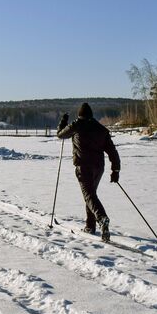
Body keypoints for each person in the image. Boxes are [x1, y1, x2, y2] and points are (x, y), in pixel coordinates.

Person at [56, 103, 120, 242]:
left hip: (83, 167)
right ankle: (90, 226)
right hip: (98, 167)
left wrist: (63, 121)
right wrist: (115, 170)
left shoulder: (77, 124)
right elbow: (112, 152)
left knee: (89, 195)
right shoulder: (101, 129)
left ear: (80, 115)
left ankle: (102, 219)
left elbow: (60, 135)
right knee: (91, 195)